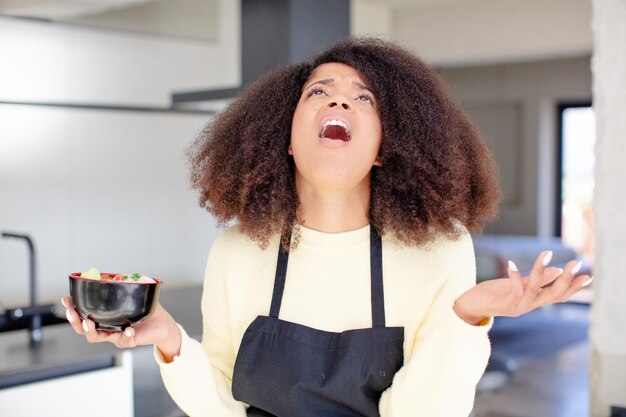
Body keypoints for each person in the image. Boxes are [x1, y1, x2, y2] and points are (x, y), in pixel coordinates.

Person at [62, 38, 592, 417]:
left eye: (365, 98)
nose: (340, 100)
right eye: (320, 91)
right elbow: (221, 405)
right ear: (285, 137)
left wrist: (468, 314)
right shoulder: (237, 250)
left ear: (386, 148)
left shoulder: (441, 247)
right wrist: (169, 339)